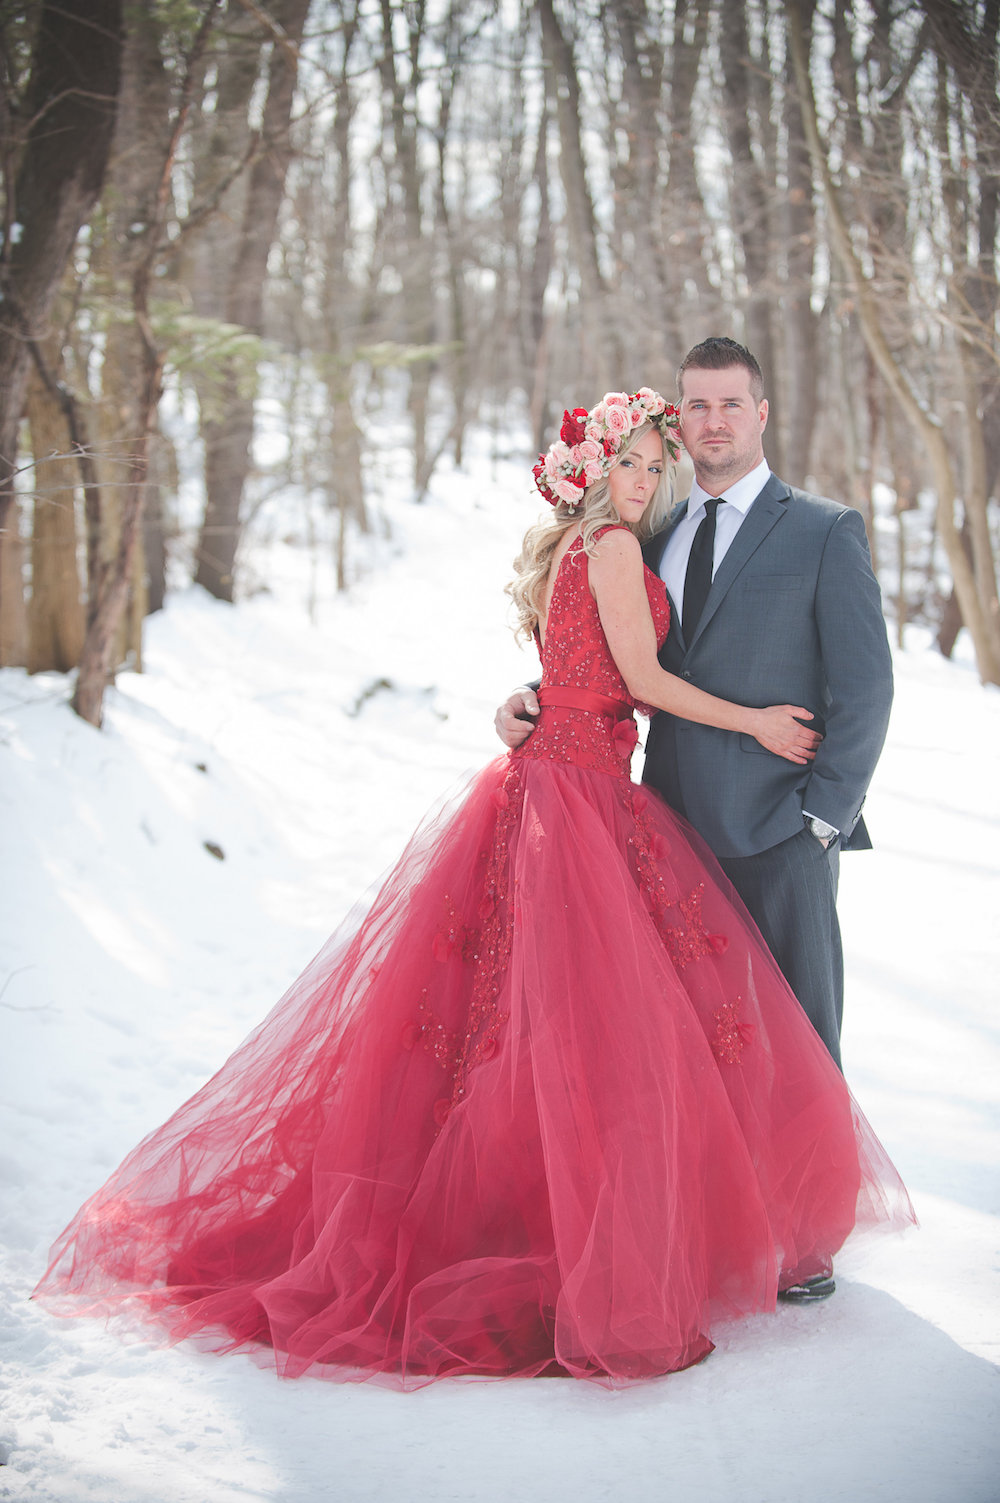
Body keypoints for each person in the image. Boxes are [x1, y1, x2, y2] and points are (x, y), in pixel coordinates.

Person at [34, 389, 912, 1388]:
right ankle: (576, 1241)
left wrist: (531, 707)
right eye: (627, 462)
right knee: (582, 1026)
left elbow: (576, 672)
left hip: (551, 783)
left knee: (518, 1020)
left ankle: (525, 1211)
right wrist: (756, 723)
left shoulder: (582, 546)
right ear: (590, 468)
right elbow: (645, 678)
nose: (645, 478)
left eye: (651, 464)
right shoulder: (615, 549)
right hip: (578, 796)